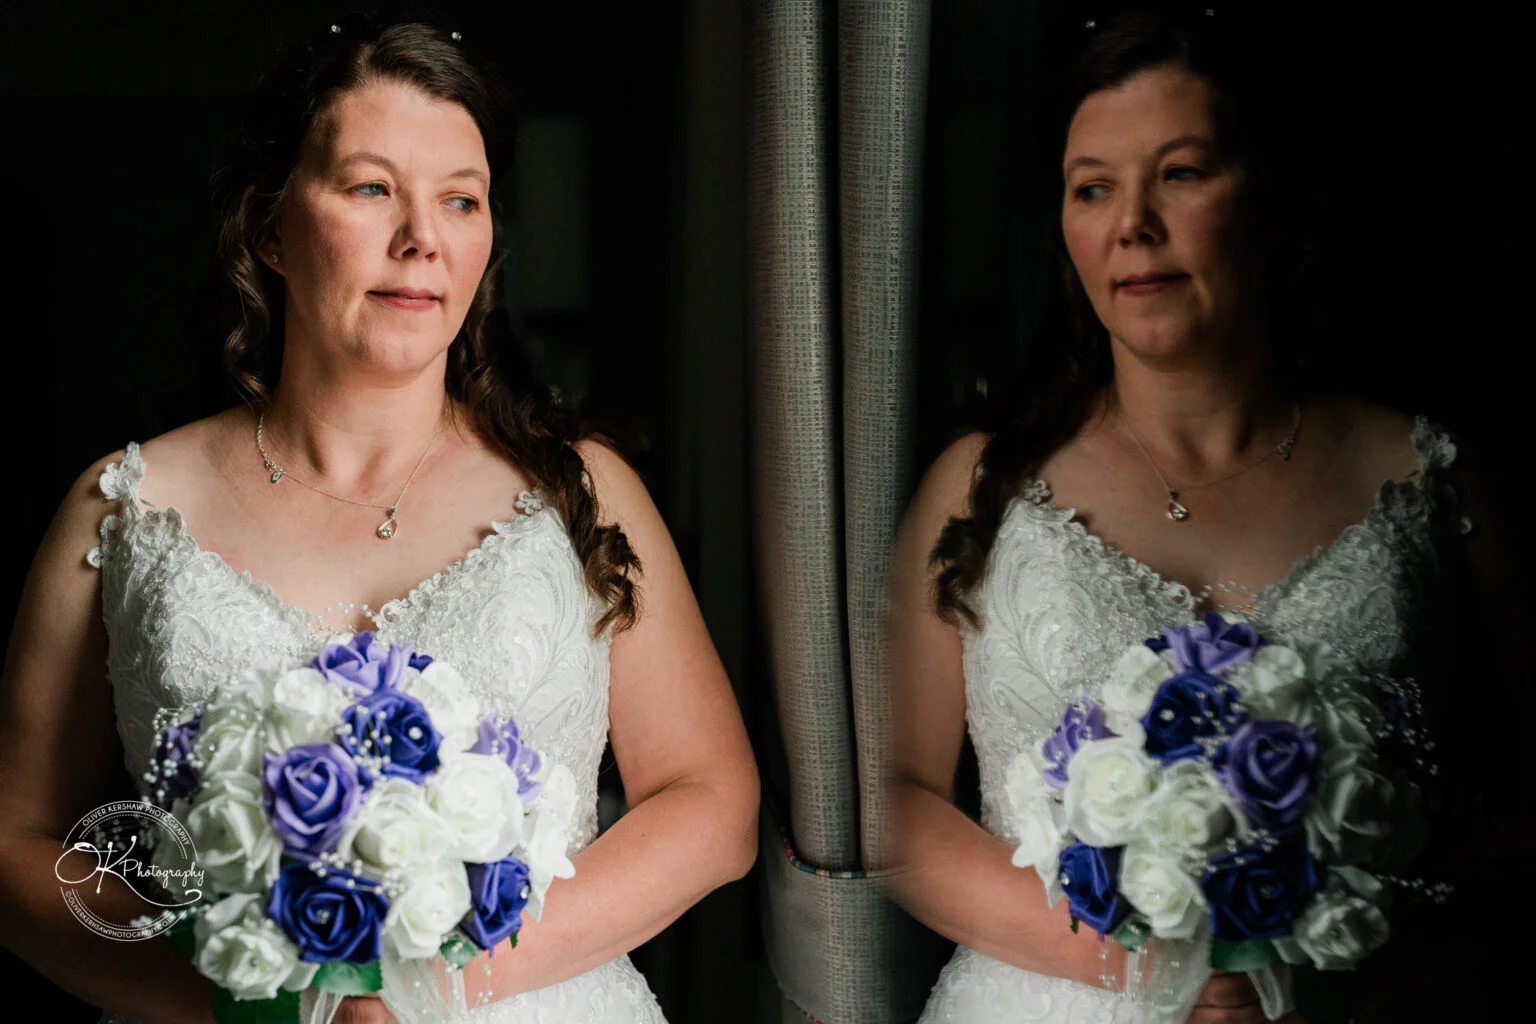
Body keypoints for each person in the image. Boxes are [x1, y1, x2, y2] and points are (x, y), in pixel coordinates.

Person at [0, 18, 758, 1024]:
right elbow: (18, 847)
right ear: (270, 228)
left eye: (461, 199)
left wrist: (430, 985)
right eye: (370, 188)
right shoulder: (125, 511)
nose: (423, 238)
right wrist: (250, 996)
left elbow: (712, 804)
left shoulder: (579, 493)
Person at [885, 9, 1521, 1023]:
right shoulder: (983, 485)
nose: (1133, 223)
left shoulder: (1428, 474)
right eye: (1093, 188)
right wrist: (1151, 967)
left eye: (1180, 173)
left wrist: (1333, 952)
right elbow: (890, 803)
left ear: (1269, 202)